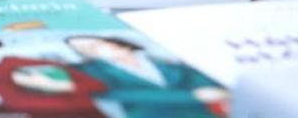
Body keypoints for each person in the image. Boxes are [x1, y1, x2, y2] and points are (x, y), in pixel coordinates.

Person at [66, 35, 227, 117]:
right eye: (81, 49)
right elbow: (109, 93)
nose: (87, 50)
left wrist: (213, 91)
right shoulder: (92, 69)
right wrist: (190, 96)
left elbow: (195, 76)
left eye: (92, 45)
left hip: (199, 113)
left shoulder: (164, 62)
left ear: (112, 42)